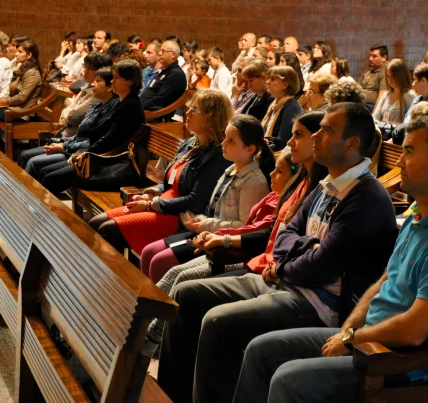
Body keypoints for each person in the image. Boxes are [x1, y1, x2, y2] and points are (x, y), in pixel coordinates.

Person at [232, 116, 428, 403]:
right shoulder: (420, 214)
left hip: (403, 363)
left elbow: (415, 330)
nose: (400, 164)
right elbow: (384, 282)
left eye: (409, 152)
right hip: (370, 338)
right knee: (262, 350)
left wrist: (351, 339)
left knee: (290, 380)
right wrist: (349, 331)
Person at [158, 103, 398, 403]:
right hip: (286, 280)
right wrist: (303, 248)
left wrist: (288, 263)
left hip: (318, 303)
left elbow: (323, 265)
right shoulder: (326, 184)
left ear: (352, 143)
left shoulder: (365, 196)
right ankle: (168, 396)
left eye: (327, 130)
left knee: (218, 322)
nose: (317, 136)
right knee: (185, 294)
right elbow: (285, 235)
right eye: (319, 128)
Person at [87, 89, 232, 254]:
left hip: (180, 217)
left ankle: (116, 277)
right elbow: (169, 182)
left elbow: (195, 202)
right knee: (95, 222)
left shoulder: (218, 155)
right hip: (162, 204)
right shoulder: (191, 143)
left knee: (108, 230)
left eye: (195, 110)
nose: (188, 113)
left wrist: (150, 205)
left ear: (212, 117)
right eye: (189, 108)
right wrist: (150, 194)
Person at [140, 115, 273, 282]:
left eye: (231, 141)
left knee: (160, 262)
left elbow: (245, 226)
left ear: (250, 149)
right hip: (206, 231)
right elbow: (214, 209)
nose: (223, 143)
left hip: (221, 242)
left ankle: (160, 305)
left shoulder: (254, 181)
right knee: (148, 252)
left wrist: (205, 224)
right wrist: (199, 221)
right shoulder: (231, 169)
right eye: (225, 137)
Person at [17, 66, 119, 186]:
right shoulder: (97, 106)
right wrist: (62, 141)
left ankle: (28, 200)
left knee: (35, 164)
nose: (92, 84)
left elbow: (91, 140)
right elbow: (80, 132)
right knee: (25, 155)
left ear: (109, 86)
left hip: (80, 152)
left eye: (97, 81)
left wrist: (64, 146)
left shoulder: (111, 109)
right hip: (72, 145)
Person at [0, 40, 43, 150]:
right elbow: (13, 91)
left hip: (22, 112)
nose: (16, 54)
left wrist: (4, 101)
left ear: (29, 55)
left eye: (20, 52)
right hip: (14, 107)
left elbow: (22, 97)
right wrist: (3, 99)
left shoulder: (32, 73)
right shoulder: (24, 69)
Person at [57, 52, 112, 136]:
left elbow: (73, 117)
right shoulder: (87, 86)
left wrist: (65, 114)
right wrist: (68, 113)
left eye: (90, 68)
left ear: (101, 71)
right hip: (67, 135)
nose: (85, 71)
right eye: (85, 66)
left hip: (73, 140)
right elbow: (72, 112)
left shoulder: (99, 94)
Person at [139, 38, 187, 120]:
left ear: (174, 55)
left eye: (163, 51)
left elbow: (161, 100)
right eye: (160, 51)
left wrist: (138, 107)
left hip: (155, 117)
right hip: (144, 113)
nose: (160, 54)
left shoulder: (175, 74)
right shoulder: (165, 71)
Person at [261, 66, 302, 149]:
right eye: (268, 78)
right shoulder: (274, 104)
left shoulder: (291, 108)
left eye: (273, 79)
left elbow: (282, 142)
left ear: (285, 85)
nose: (268, 82)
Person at [372, 58, 416, 128]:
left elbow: (411, 124)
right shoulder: (386, 95)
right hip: (383, 132)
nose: (390, 80)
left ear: (401, 76)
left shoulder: (409, 95)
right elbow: (375, 117)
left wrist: (391, 124)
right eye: (388, 76)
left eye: (393, 76)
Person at [358, 44, 388, 108]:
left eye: (374, 56)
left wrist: (374, 114)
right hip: (360, 104)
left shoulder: (386, 72)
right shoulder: (368, 70)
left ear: (384, 58)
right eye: (370, 56)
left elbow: (382, 96)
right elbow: (358, 88)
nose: (370, 58)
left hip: (371, 106)